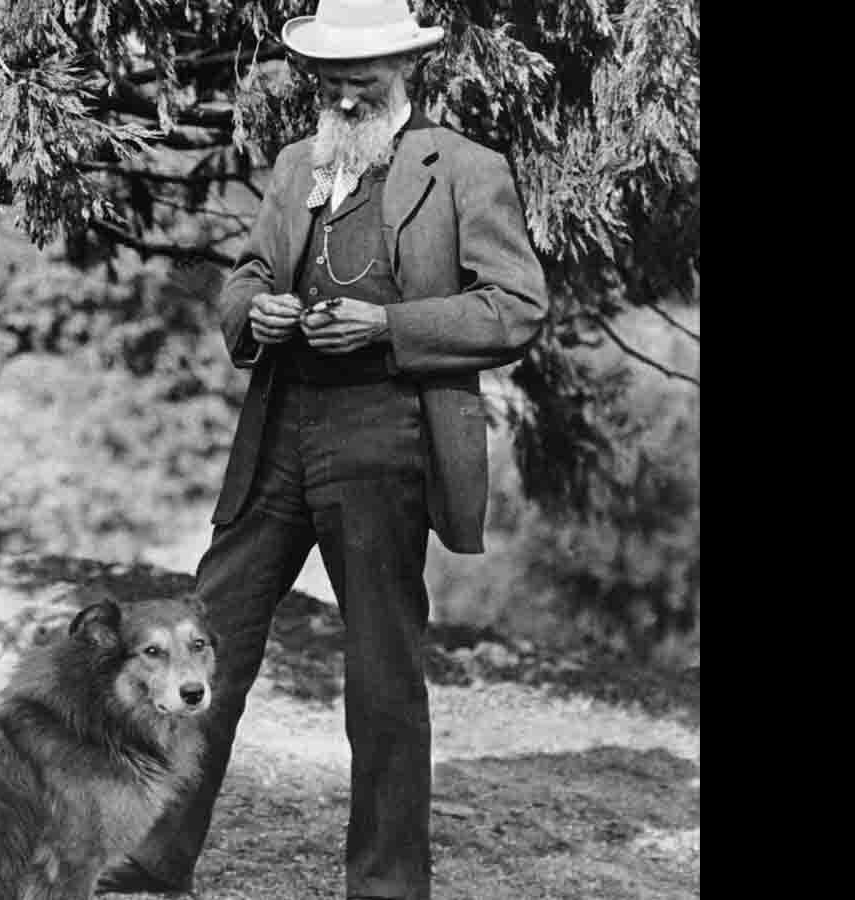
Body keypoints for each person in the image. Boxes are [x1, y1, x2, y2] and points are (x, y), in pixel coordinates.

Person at [97, 1, 549, 898]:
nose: (344, 96)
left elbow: (517, 306)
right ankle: (152, 858)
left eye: (362, 81)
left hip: (387, 445)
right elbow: (251, 276)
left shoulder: (465, 168)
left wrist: (388, 324)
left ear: (403, 73)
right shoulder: (300, 163)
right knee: (197, 649)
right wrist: (252, 312)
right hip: (276, 441)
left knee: (384, 678)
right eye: (332, 81)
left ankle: (385, 885)